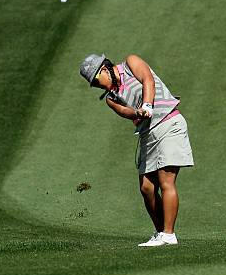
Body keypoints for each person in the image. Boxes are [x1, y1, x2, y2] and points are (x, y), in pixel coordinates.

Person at [80, 53, 194, 247]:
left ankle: (169, 234)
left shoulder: (130, 63)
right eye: (94, 85)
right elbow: (125, 112)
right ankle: (160, 234)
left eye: (97, 80)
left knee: (166, 181)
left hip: (168, 123)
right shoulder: (111, 98)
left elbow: (147, 79)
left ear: (105, 69)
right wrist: (138, 112)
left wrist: (147, 104)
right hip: (147, 134)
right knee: (147, 188)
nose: (98, 86)